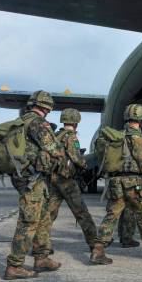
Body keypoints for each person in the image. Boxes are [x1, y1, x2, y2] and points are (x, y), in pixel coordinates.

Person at [91, 104, 142, 265]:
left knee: (111, 216)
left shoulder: (117, 136)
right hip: (134, 185)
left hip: (115, 183)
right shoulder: (137, 138)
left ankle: (98, 249)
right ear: (141, 119)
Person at [5, 90, 65, 280]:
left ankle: (42, 257)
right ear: (47, 107)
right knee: (29, 221)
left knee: (44, 218)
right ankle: (15, 265)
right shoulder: (36, 123)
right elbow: (54, 150)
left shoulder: (23, 121)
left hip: (34, 178)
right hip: (33, 180)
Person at [43, 108, 98, 253]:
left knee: (48, 215)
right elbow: (76, 159)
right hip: (67, 181)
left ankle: (42, 247)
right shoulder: (71, 137)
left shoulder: (55, 136)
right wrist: (85, 165)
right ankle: (96, 249)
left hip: (53, 179)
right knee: (82, 214)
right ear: (76, 123)